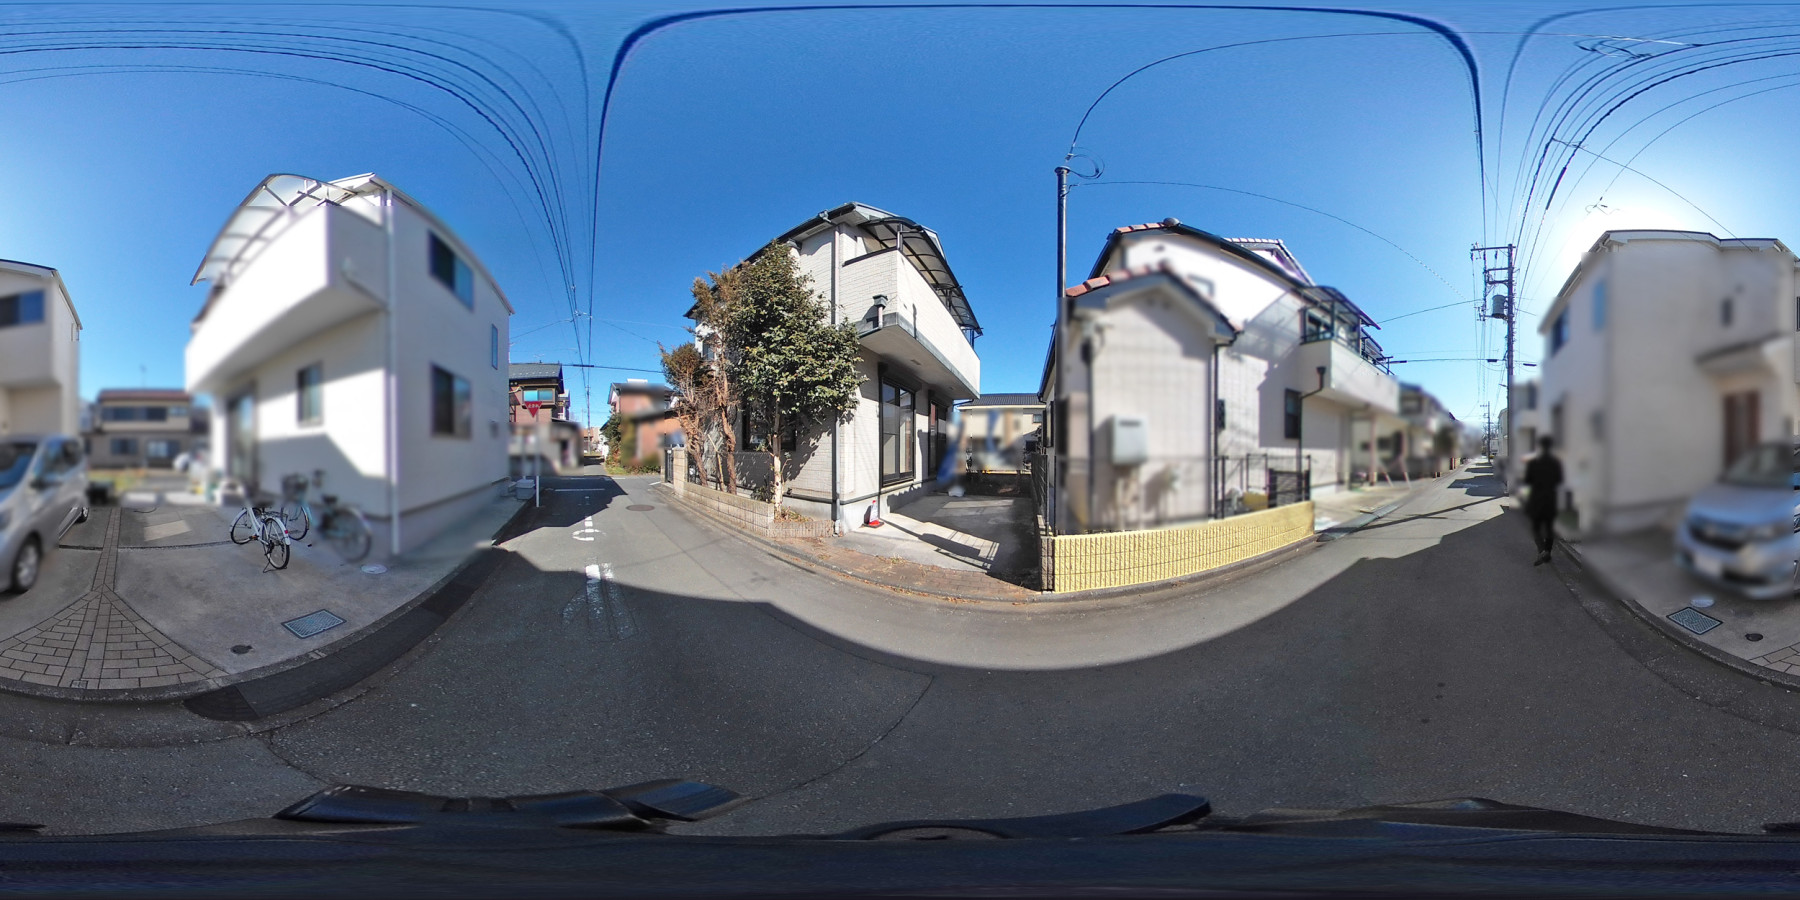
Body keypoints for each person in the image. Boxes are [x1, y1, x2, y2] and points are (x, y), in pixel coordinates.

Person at [1522, 435, 1564, 565]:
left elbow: (1527, 480)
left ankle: (1542, 550)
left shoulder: (1533, 462)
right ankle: (1548, 551)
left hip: (1537, 499)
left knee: (1535, 527)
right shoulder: (1556, 462)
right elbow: (1560, 480)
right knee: (1549, 527)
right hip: (1551, 499)